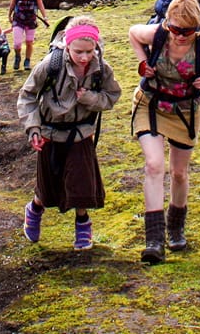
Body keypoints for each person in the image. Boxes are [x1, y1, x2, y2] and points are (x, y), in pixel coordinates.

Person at [128, 0, 200, 263]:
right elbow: (133, 33)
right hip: (151, 103)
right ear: (167, 23)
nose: (181, 35)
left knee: (179, 173)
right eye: (175, 29)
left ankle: (176, 227)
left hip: (185, 110)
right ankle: (154, 239)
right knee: (153, 165)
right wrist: (143, 63)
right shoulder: (156, 34)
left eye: (188, 30)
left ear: (198, 26)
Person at [17, 16, 122, 251]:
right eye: (78, 52)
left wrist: (90, 99)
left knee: (82, 185)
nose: (84, 57)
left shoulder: (101, 69)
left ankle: (83, 225)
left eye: (89, 51)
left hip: (81, 134)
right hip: (50, 134)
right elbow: (27, 96)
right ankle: (35, 209)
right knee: (48, 187)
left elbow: (112, 96)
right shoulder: (49, 66)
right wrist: (33, 128)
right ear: (67, 45)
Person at [8, 0, 49, 71]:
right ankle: (17, 57)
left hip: (31, 19)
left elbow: (40, 4)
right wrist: (9, 14)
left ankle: (27, 61)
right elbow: (12, 3)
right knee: (17, 43)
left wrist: (44, 17)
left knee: (29, 42)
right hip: (18, 18)